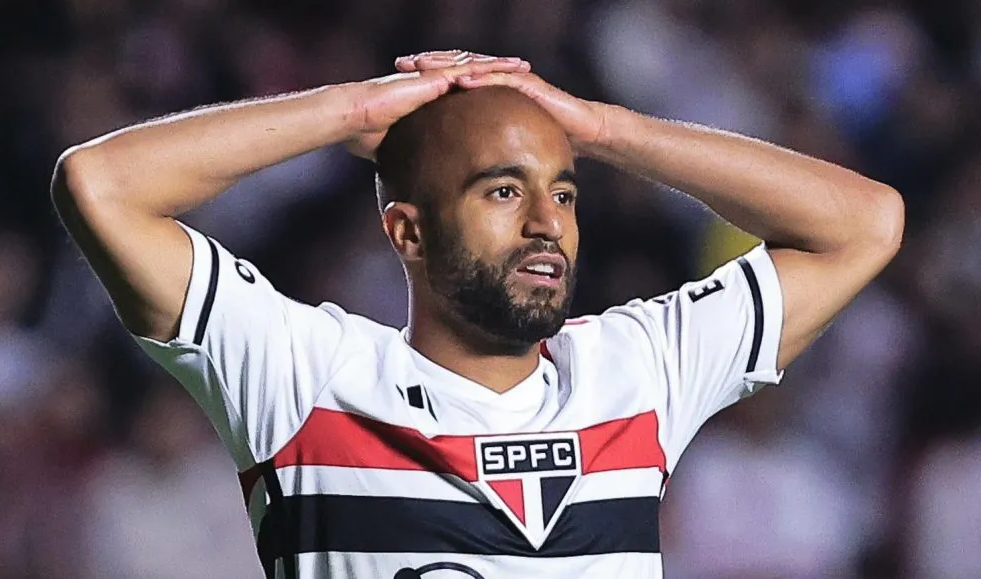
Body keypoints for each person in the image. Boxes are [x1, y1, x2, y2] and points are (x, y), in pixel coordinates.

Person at [51, 49, 904, 579]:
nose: (547, 221)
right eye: (504, 189)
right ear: (407, 232)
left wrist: (602, 128)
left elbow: (864, 223)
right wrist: (351, 111)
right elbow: (101, 185)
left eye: (563, 192)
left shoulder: (639, 368)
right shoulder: (305, 374)